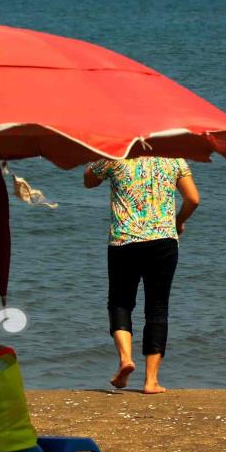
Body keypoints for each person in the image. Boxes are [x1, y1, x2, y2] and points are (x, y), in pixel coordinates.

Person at [84, 156, 199, 394]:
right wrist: (178, 222)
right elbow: (193, 199)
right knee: (157, 308)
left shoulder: (116, 157)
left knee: (120, 302)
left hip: (124, 242)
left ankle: (126, 359)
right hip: (163, 242)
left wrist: (97, 152)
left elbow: (89, 181)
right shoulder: (174, 160)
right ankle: (151, 381)